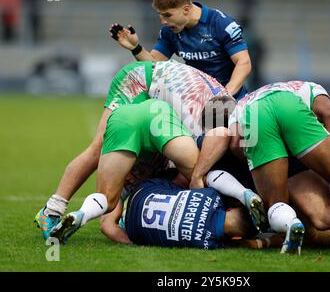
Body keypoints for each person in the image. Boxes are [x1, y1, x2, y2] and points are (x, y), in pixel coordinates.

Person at [34, 60, 245, 240]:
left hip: (157, 97)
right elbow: (191, 172)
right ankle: (52, 210)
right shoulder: (203, 123)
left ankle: (117, 213)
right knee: (99, 149)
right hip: (138, 83)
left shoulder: (224, 112)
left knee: (153, 164)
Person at [191, 81, 330, 256]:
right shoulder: (307, 88)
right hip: (289, 108)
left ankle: (291, 224)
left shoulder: (235, 119)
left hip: (256, 122)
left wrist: (258, 166)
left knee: (279, 206)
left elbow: (236, 143)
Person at [49, 100, 264, 246]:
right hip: (160, 118)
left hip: (124, 115)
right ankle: (242, 193)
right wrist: (141, 240)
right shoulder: (153, 177)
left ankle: (81, 214)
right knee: (202, 176)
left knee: (108, 198)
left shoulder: (132, 180)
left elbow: (107, 226)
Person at [109, 0, 251, 100]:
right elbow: (155, 65)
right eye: (160, 15)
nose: (163, 21)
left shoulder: (220, 24)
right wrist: (135, 47)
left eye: (168, 15)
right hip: (196, 101)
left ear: (186, 9)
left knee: (220, 133)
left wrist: (224, 97)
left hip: (231, 99)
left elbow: (244, 62)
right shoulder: (169, 31)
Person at [99, 177, 281, 250]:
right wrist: (266, 241)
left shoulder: (213, 195)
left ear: (231, 208)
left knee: (185, 182)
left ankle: (118, 193)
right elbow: (245, 245)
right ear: (234, 238)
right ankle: (115, 205)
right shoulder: (207, 243)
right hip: (133, 229)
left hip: (143, 191)